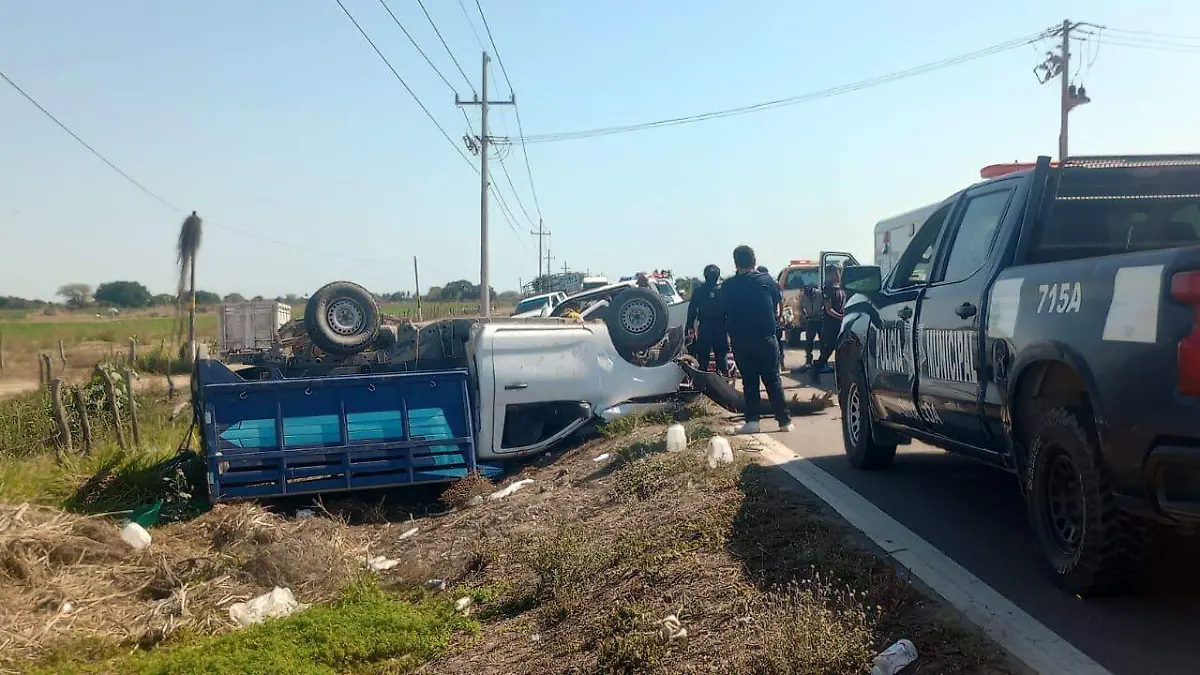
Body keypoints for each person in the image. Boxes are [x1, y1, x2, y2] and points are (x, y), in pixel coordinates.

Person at [722, 246, 793, 433]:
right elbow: (778, 306)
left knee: (749, 380)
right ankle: (784, 421)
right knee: (773, 379)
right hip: (766, 339)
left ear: (735, 263)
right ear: (754, 261)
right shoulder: (766, 280)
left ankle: (753, 421)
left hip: (741, 340)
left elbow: (725, 312)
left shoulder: (728, 286)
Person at [685, 264, 728, 376]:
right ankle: (723, 381)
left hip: (706, 327)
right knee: (721, 356)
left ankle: (702, 382)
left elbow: (692, 311)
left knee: (704, 357)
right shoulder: (723, 290)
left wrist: (689, 326)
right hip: (720, 327)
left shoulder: (699, 291)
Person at [811, 264, 846, 384]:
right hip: (831, 325)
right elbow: (828, 309)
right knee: (827, 351)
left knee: (842, 350)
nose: (839, 275)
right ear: (831, 274)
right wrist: (840, 317)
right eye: (837, 273)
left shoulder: (840, 287)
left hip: (840, 323)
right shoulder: (828, 288)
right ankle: (815, 370)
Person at [756, 265, 787, 372]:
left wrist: (780, 315)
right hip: (773, 317)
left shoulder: (760, 284)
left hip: (768, 319)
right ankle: (780, 363)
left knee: (774, 342)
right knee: (777, 342)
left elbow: (780, 301)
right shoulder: (774, 284)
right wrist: (780, 315)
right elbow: (780, 302)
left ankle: (779, 363)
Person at [799, 282, 823, 371]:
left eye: (811, 295)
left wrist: (819, 313)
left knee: (822, 341)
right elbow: (800, 307)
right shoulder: (803, 296)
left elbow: (825, 305)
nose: (809, 297)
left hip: (820, 320)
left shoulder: (820, 294)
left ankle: (822, 361)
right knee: (809, 341)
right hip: (810, 320)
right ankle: (808, 360)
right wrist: (804, 316)